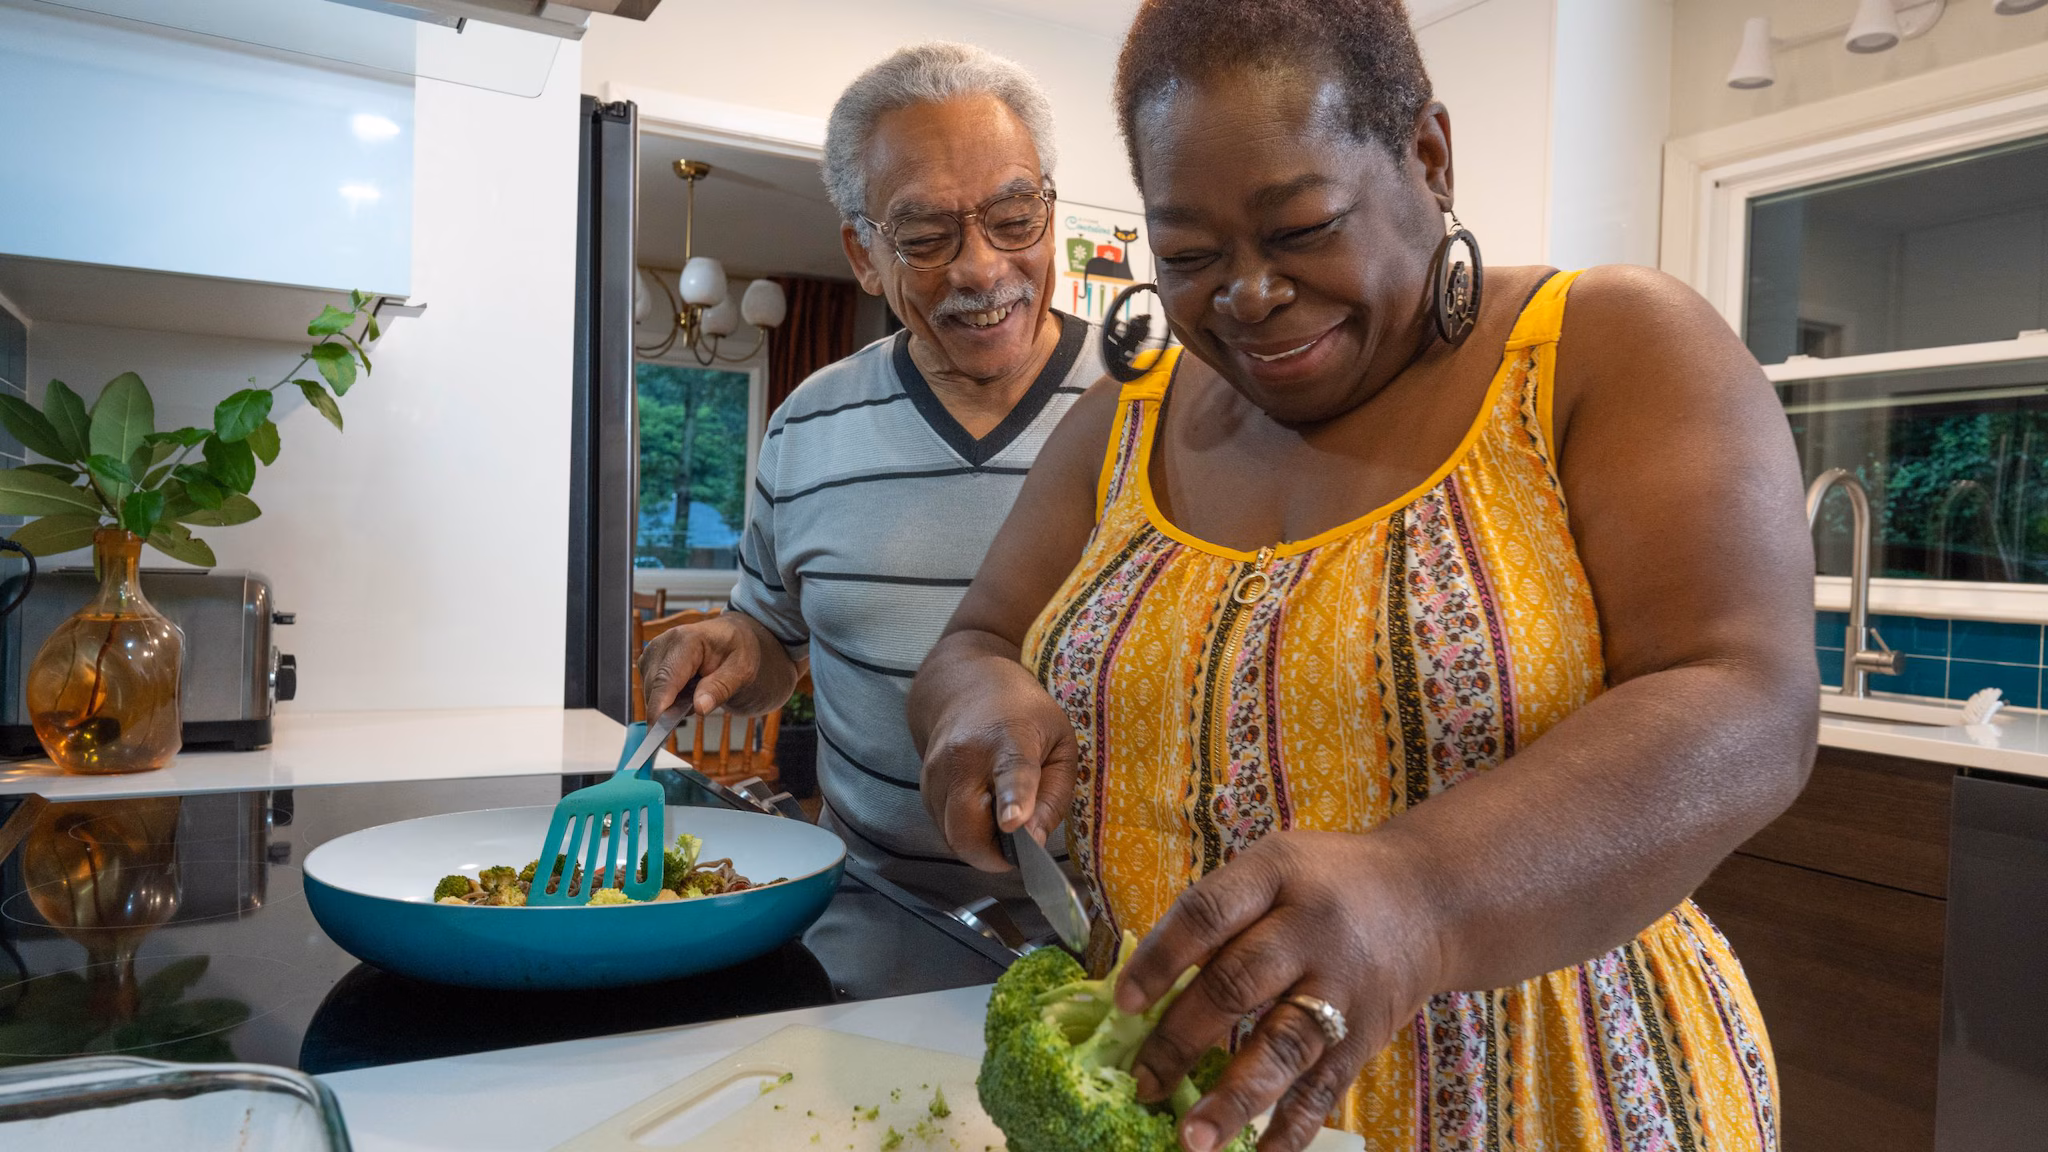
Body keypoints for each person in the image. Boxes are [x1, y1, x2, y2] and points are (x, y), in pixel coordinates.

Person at [908, 2, 1817, 1150]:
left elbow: (1746, 700)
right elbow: (973, 640)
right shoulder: (1119, 424)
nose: (1244, 293)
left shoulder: (1603, 350)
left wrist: (1419, 892)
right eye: (1187, 255)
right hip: (1173, 1111)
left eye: (1300, 228)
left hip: (1543, 1099)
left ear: (1427, 156)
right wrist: (976, 700)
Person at [639, 42, 1103, 918]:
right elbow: (775, 643)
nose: (979, 268)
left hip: (1119, 935)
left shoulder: (1166, 412)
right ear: (863, 254)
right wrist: (739, 647)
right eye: (925, 237)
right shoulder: (807, 424)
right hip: (877, 916)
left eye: (1014, 218)